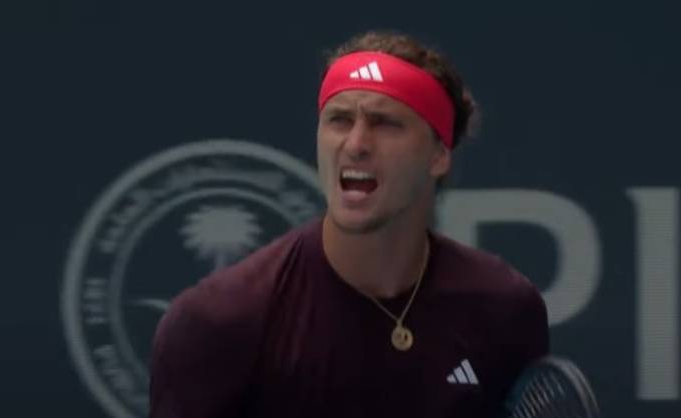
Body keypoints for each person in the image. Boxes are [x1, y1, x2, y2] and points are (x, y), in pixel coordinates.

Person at [148, 30, 549, 418]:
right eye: (339, 120)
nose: (355, 144)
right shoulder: (217, 323)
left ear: (438, 155)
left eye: (385, 123)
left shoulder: (505, 311)